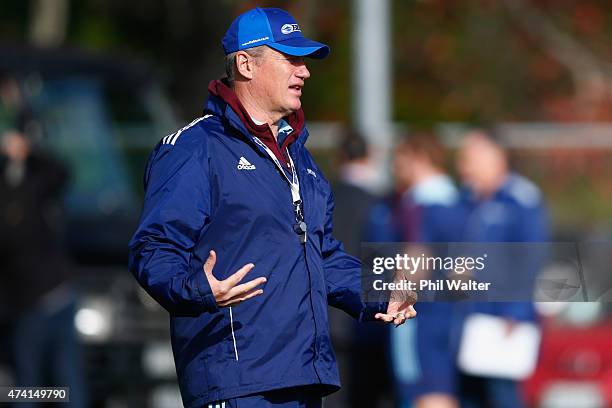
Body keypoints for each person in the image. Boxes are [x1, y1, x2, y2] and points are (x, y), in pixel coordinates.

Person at [128, 7, 416, 408]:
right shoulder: (197, 148)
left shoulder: (300, 158)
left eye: (305, 61)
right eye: (291, 59)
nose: (304, 72)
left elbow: (320, 255)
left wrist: (378, 292)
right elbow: (153, 248)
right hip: (238, 381)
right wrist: (196, 289)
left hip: (303, 377)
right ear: (246, 64)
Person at [454, 130, 549, 408]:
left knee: (501, 394)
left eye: (472, 155)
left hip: (502, 320)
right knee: (469, 394)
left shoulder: (520, 199)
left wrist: (515, 311)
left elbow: (531, 258)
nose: (465, 163)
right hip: (467, 315)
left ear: (497, 156)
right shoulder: (466, 200)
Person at [0, 129, 85, 407]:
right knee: (30, 387)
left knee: (64, 385)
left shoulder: (32, 186)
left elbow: (61, 172)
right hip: (28, 304)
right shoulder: (11, 194)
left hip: (55, 297)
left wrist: (28, 150)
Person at [389, 133, 464, 408]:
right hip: (446, 312)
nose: (395, 168)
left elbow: (417, 258)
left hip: (426, 315)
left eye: (400, 160)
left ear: (418, 158)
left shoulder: (424, 202)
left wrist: (396, 303)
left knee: (428, 391)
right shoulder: (455, 199)